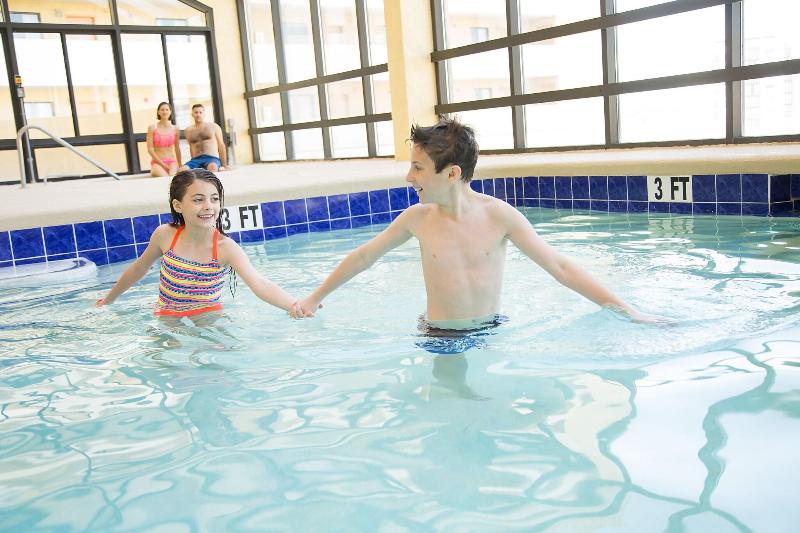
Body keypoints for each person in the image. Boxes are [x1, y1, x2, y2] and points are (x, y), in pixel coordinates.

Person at [296, 117, 658, 328]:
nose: (408, 177)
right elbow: (364, 257)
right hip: (439, 334)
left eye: (418, 168)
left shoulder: (499, 216)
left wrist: (627, 311)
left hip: (492, 328)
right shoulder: (416, 219)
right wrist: (314, 297)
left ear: (452, 174)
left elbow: (560, 267)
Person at [96, 169, 300, 318]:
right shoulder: (165, 235)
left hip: (207, 315)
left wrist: (293, 305)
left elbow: (258, 282)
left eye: (214, 199)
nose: (208, 206)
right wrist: (109, 300)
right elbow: (138, 268)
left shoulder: (225, 248)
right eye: (198, 200)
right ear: (178, 205)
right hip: (167, 313)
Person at [180, 103, 227, 172]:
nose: (198, 114)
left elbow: (221, 145)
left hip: (211, 159)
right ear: (192, 114)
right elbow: (191, 147)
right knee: (182, 170)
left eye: (200, 112)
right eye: (196, 112)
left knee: (212, 167)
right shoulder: (188, 130)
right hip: (196, 160)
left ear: (204, 114)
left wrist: (224, 165)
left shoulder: (213, 126)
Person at [147, 102, 181, 177]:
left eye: (167, 109)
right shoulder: (152, 128)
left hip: (172, 162)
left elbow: (177, 149)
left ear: (170, 112)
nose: (165, 112)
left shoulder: (175, 128)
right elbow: (150, 149)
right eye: (162, 110)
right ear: (158, 112)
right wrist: (163, 165)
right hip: (157, 162)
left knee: (173, 177)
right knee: (164, 177)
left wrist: (180, 165)